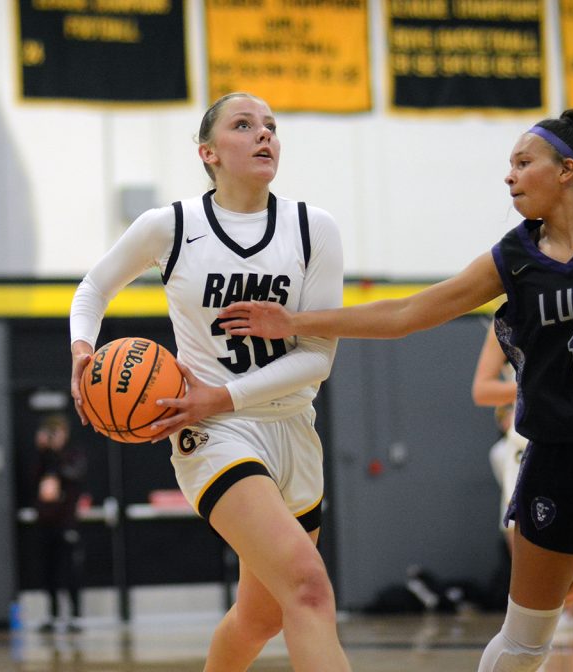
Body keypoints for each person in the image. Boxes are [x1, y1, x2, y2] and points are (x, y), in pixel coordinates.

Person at [219, 106, 573, 671]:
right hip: (557, 455)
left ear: (567, 170)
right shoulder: (513, 259)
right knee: (525, 643)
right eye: (510, 165)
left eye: (523, 163)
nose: (509, 176)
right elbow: (408, 311)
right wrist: (295, 322)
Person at [69, 92, 350, 671]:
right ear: (209, 151)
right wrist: (82, 349)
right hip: (212, 431)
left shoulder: (312, 228)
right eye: (244, 126)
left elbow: (318, 358)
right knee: (309, 588)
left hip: (292, 427)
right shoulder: (170, 226)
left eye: (271, 126)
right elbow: (94, 289)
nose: (264, 135)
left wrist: (220, 393)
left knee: (262, 616)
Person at [472, 323, 573, 634]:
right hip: (533, 448)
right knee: (538, 574)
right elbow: (482, 390)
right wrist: (537, 382)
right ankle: (526, 630)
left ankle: (529, 620)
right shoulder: (508, 321)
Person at [32, 413, 87, 634]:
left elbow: (74, 474)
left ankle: (75, 616)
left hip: (67, 521)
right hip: (46, 521)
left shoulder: (72, 454)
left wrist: (55, 452)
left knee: (70, 569)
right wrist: (44, 451)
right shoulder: (42, 458)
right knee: (48, 570)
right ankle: (52, 615)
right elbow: (32, 479)